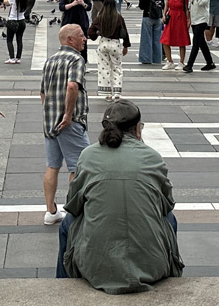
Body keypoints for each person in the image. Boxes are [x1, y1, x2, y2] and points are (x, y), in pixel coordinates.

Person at [56, 100, 183, 292]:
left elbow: (73, 205)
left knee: (68, 222)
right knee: (170, 219)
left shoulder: (88, 155)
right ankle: (173, 274)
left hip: (93, 269)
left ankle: (61, 285)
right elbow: (167, 205)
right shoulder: (153, 157)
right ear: (138, 129)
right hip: (154, 267)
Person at [41, 24, 89, 226]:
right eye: (81, 35)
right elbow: (72, 86)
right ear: (70, 39)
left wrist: (51, 114)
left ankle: (51, 211)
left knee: (53, 166)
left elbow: (43, 93)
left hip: (50, 121)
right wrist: (68, 115)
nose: (85, 38)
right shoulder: (76, 59)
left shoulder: (50, 61)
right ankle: (74, 211)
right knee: (78, 167)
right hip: (69, 123)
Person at [88, 0, 131, 101]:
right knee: (117, 68)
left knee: (104, 68)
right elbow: (125, 33)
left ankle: (106, 93)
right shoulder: (118, 17)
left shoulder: (100, 17)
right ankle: (117, 93)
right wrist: (126, 46)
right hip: (115, 44)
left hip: (103, 42)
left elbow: (90, 32)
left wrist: (97, 33)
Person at [184, 0, 216, 72]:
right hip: (195, 20)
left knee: (196, 43)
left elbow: (201, 2)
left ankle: (189, 65)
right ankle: (210, 63)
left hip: (202, 20)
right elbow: (191, 6)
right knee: (201, 42)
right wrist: (189, 20)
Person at [58, 0, 92, 64]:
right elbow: (61, 7)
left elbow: (89, 7)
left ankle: (83, 62)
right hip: (69, 20)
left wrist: (83, 4)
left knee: (83, 42)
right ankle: (67, 62)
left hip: (81, 21)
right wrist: (73, 4)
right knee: (68, 42)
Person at [161, 0, 190, 70]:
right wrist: (164, 15)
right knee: (165, 40)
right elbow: (166, 5)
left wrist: (188, 20)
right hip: (171, 17)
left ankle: (181, 62)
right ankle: (169, 61)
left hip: (180, 18)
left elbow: (186, 9)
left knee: (181, 41)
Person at [137, 0, 164, 65]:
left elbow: (141, 6)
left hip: (147, 17)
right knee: (157, 39)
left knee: (146, 39)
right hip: (158, 18)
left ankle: (146, 58)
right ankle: (157, 58)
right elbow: (163, 5)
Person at [3, 0, 29, 64]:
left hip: (12, 21)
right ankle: (18, 57)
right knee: (19, 39)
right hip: (22, 21)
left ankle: (11, 58)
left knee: (9, 40)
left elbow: (5, 2)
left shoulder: (14, 0)